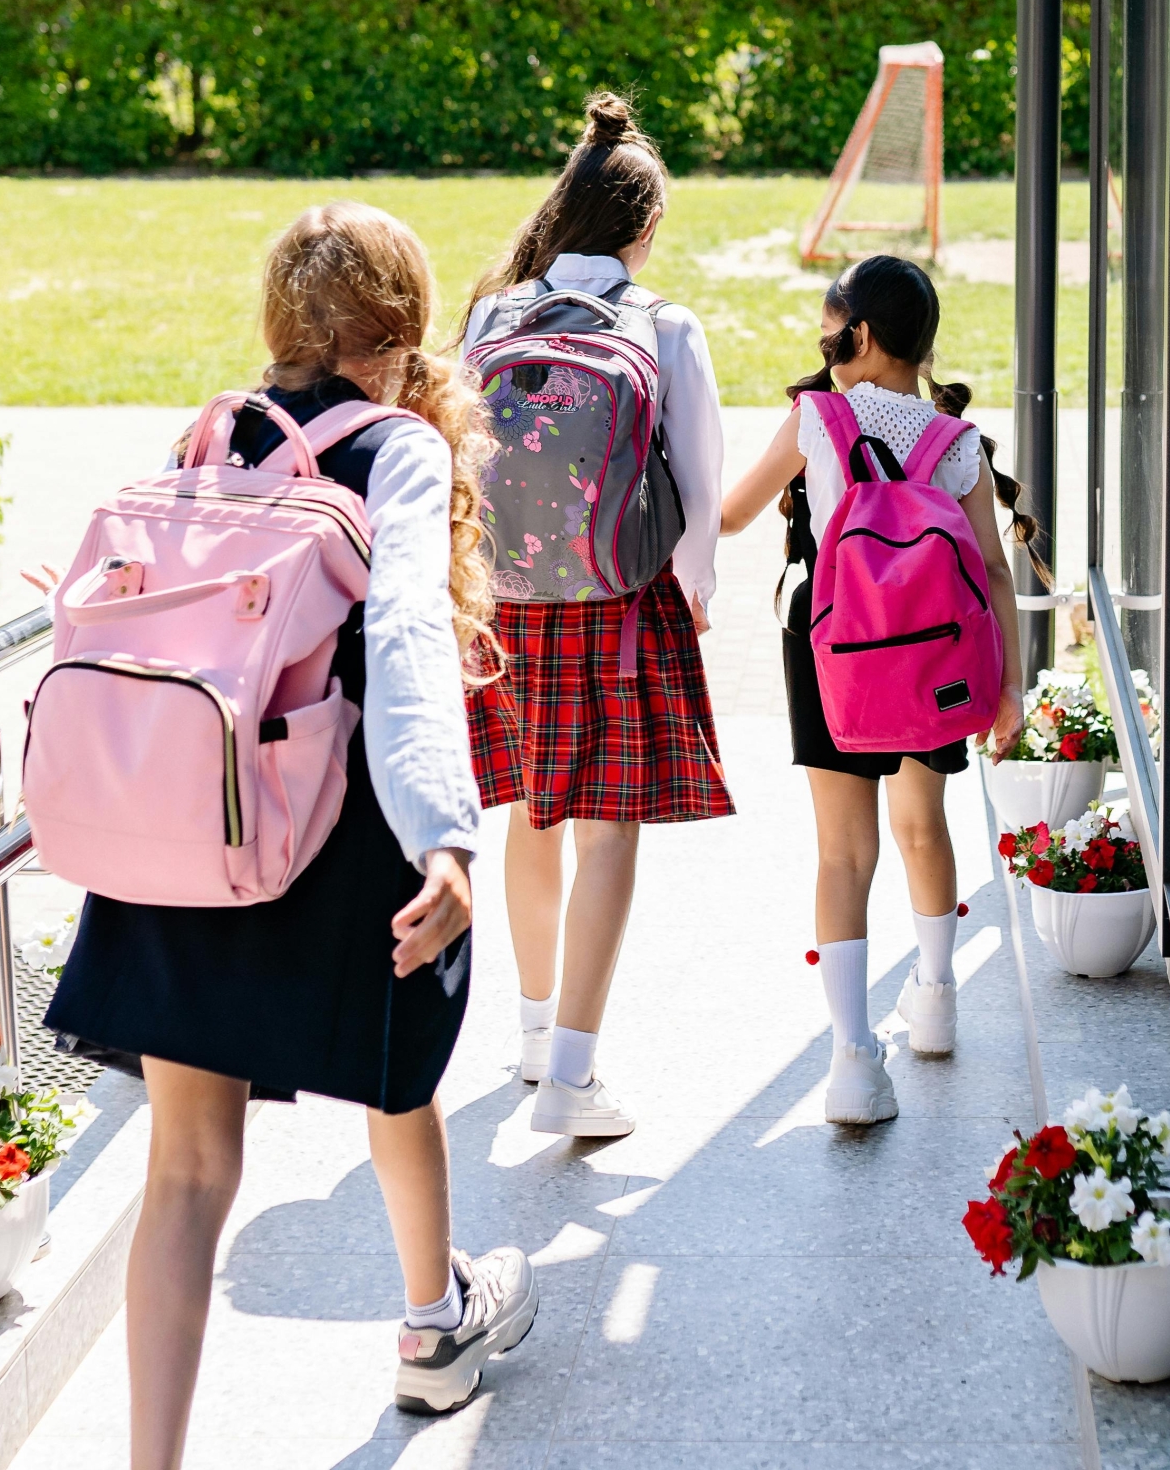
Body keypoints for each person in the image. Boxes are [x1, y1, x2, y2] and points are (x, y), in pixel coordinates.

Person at [45, 204, 533, 1458]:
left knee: (188, 1171)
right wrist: (448, 835)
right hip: (345, 828)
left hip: (193, 830)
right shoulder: (402, 453)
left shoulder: (205, 436)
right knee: (395, 1078)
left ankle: (152, 1457)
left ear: (281, 325)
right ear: (400, 327)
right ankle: (435, 1324)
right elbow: (415, 643)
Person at [461, 93, 731, 1139]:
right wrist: (696, 591)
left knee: (534, 809)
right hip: (620, 602)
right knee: (609, 828)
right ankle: (574, 1075)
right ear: (643, 228)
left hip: (509, 603)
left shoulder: (493, 316)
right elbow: (701, 485)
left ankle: (534, 1039)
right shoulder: (664, 325)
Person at [721, 255, 1027, 1125]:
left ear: (858, 336)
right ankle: (934, 998)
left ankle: (853, 1060)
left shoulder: (815, 420)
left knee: (843, 854)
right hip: (936, 658)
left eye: (830, 331)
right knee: (922, 826)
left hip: (833, 651)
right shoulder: (955, 442)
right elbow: (994, 576)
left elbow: (737, 512)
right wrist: (1006, 684)